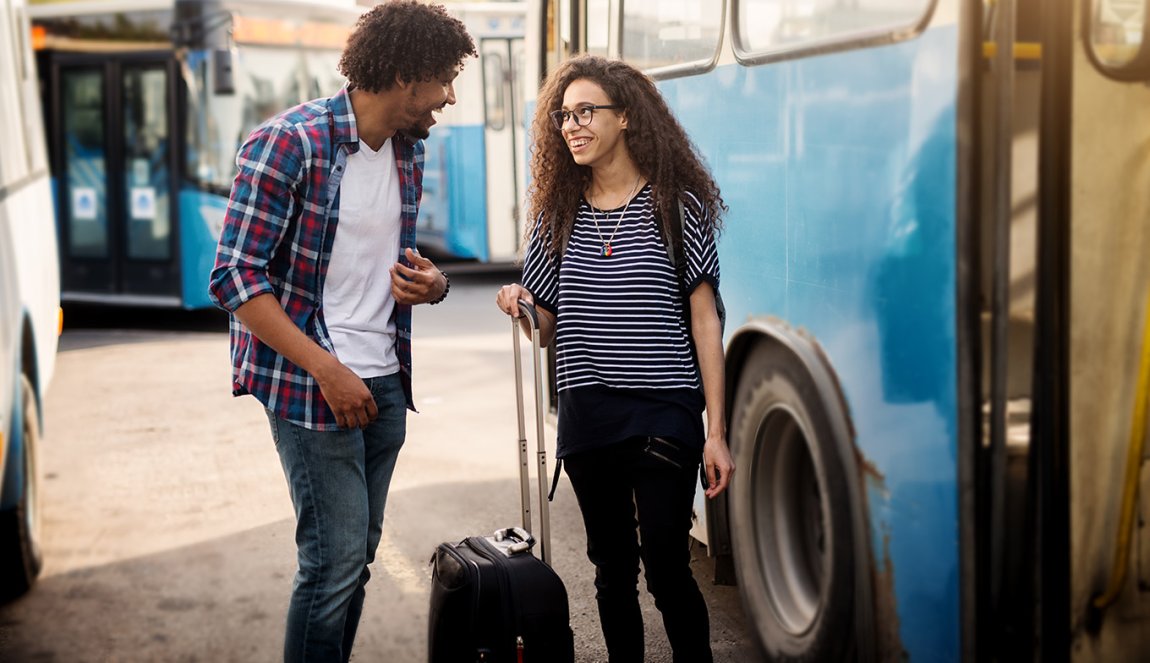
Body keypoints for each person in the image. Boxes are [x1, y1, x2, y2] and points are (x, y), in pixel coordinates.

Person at [207, 3, 475, 661]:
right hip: (314, 389)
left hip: (385, 385)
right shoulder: (289, 143)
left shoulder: (407, 151)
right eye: (443, 78)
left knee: (353, 561)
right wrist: (328, 368)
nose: (448, 96)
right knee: (330, 567)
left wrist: (434, 286)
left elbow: (390, 264)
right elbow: (235, 279)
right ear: (406, 73)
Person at [495, 54, 735, 663]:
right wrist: (522, 304)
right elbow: (546, 327)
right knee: (610, 571)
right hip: (588, 414)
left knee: (666, 563)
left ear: (625, 117)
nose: (571, 126)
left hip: (664, 412)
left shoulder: (677, 207)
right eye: (562, 116)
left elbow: (705, 320)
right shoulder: (556, 217)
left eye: (585, 112)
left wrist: (717, 431)